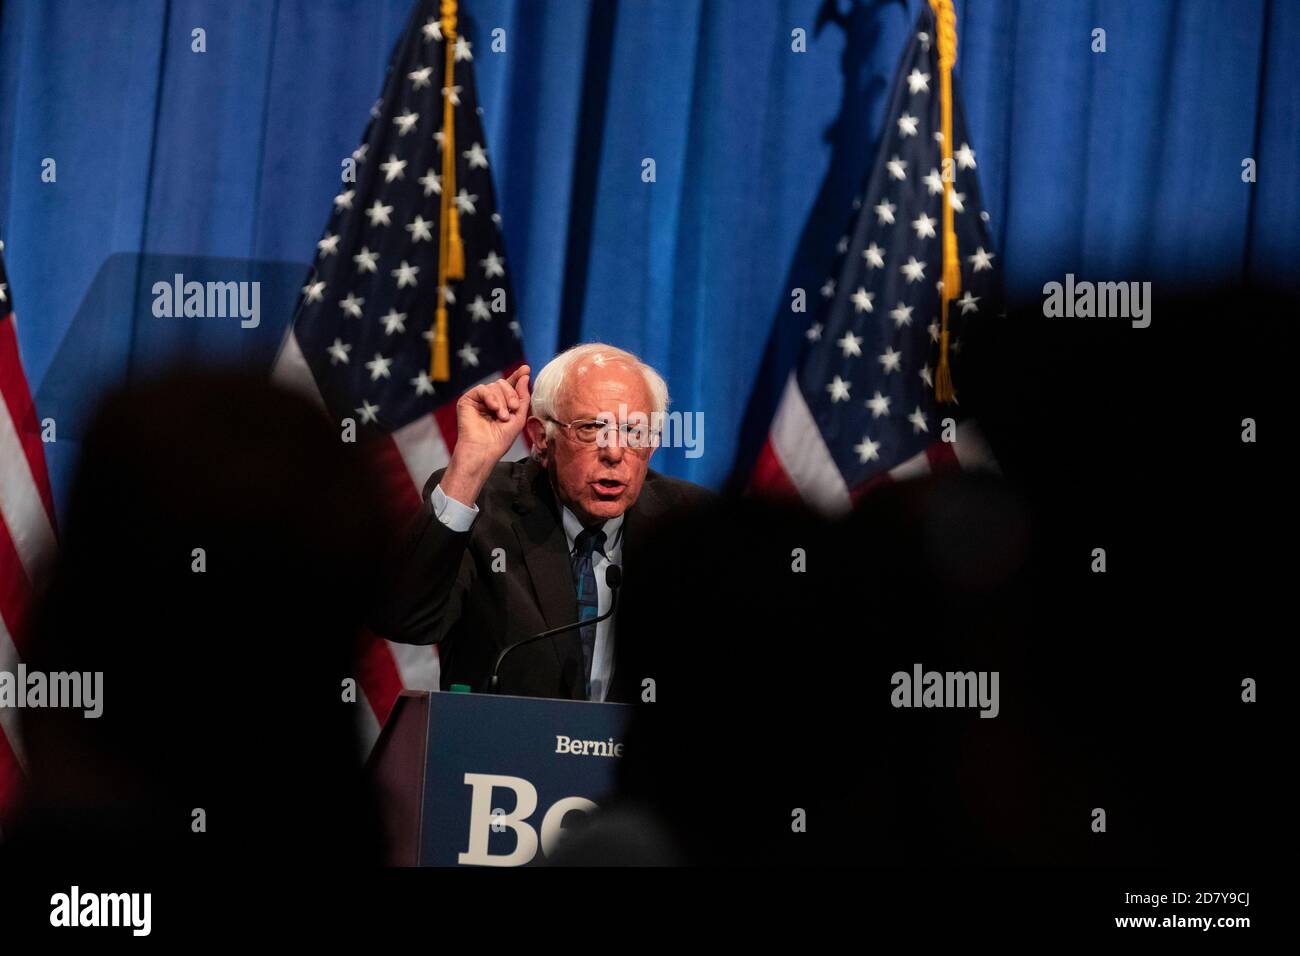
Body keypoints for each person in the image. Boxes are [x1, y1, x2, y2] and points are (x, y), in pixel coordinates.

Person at [372, 343, 711, 701]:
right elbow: (405, 621)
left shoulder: (688, 525)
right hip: (502, 751)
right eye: (592, 427)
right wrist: (469, 467)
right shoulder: (483, 504)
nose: (614, 452)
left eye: (634, 431)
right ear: (541, 438)